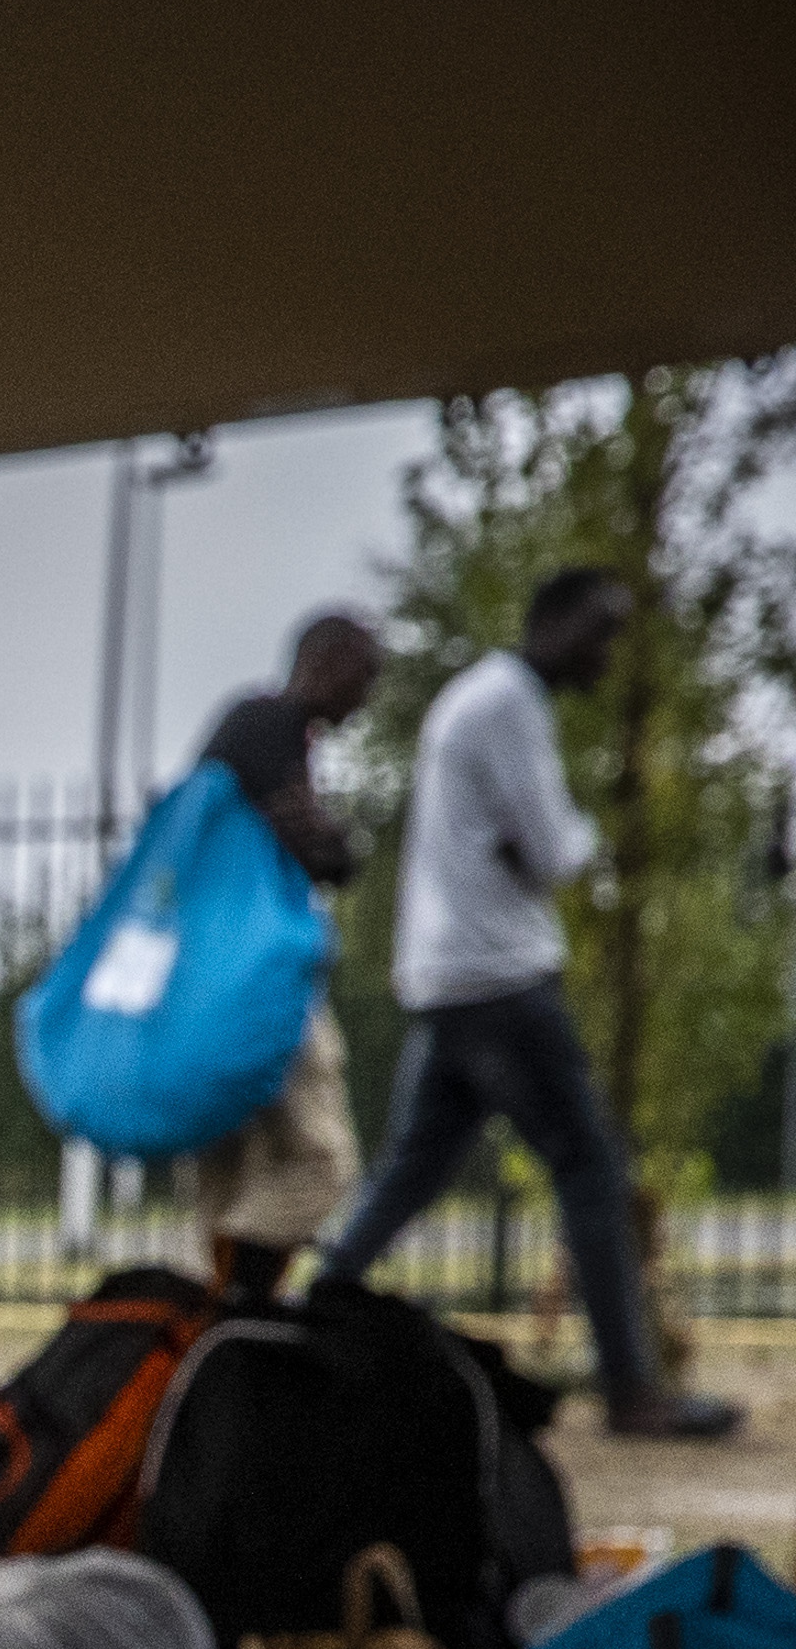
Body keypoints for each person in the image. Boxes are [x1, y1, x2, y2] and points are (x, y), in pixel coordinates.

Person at [313, 568, 740, 1439]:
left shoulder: (477, 700)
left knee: (415, 1169)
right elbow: (555, 853)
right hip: (500, 978)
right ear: (553, 622)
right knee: (589, 1169)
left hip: (448, 976)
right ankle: (633, 1392)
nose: (607, 653)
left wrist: (530, 848)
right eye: (600, 630)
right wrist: (567, 840)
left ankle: (312, 1306)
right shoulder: (507, 703)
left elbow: (525, 848)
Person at [181, 610, 389, 1287]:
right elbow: (322, 851)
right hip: (256, 985)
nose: (369, 695)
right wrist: (341, 846)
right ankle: (237, 1301)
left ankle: (209, 1328)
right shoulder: (271, 726)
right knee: (318, 1164)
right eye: (366, 674)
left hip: (206, 984)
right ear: (326, 660)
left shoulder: (243, 733)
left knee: (229, 1172)